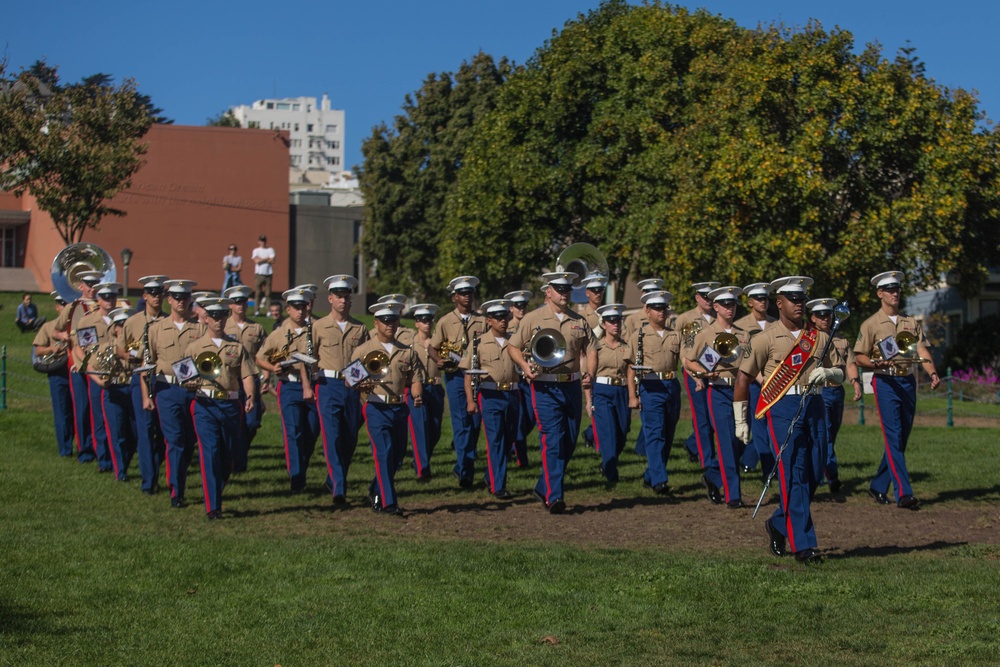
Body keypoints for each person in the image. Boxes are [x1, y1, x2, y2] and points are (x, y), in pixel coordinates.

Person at [734, 276, 844, 564]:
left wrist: (831, 375)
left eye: (802, 298)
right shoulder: (764, 338)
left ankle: (779, 523)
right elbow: (743, 378)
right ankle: (803, 545)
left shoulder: (819, 336)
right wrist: (740, 420)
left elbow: (841, 371)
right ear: (779, 302)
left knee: (815, 470)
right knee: (792, 472)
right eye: (793, 298)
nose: (799, 303)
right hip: (782, 406)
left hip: (815, 404)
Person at [508, 272, 596, 513]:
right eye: (559, 289)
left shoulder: (579, 320)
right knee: (553, 439)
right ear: (548, 292)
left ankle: (542, 486)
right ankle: (554, 497)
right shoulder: (533, 318)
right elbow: (513, 346)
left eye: (567, 288)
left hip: (571, 386)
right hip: (545, 386)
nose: (564, 292)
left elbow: (590, 348)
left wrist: (590, 372)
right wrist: (525, 367)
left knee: (568, 442)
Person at [854, 271, 940, 509]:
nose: (895, 293)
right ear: (880, 293)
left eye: (897, 289)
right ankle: (904, 493)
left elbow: (921, 351)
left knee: (901, 437)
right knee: (893, 435)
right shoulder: (870, 324)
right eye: (889, 290)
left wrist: (932, 372)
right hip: (885, 383)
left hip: (907, 382)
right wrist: (875, 364)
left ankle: (878, 485)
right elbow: (859, 356)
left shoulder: (910, 322)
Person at [185, 297, 258, 519]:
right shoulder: (195, 347)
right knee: (210, 452)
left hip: (230, 403)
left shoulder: (236, 346)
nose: (218, 321)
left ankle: (217, 488)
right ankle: (213, 506)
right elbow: (185, 376)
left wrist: (251, 395)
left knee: (227, 455)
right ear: (206, 319)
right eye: (214, 317)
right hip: (205, 404)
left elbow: (246, 374)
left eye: (222, 316)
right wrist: (189, 382)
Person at [351, 301, 424, 516]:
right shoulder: (363, 349)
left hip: (399, 407)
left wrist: (417, 394)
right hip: (375, 406)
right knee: (383, 452)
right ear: (376, 323)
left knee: (397, 455)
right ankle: (389, 502)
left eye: (393, 320)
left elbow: (416, 378)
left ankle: (376, 489)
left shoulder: (407, 352)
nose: (390, 324)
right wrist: (360, 383)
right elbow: (349, 380)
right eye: (385, 321)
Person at [684, 286, 752, 508]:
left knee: (743, 440)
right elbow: (688, 362)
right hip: (719, 390)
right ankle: (734, 495)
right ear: (715, 307)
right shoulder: (705, 333)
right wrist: (703, 373)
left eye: (732, 304)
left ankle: (713, 477)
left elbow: (752, 364)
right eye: (725, 304)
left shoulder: (743, 334)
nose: (729, 308)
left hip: (742, 391)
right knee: (726, 442)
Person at [141, 279, 205, 508]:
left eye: (185, 297)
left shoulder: (200, 328)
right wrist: (146, 395)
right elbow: (146, 364)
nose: (181, 301)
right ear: (169, 300)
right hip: (166, 389)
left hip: (193, 391)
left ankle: (178, 476)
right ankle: (176, 491)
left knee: (189, 442)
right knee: (175, 439)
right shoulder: (155, 329)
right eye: (176, 297)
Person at [256, 287, 319, 494]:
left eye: (303, 307)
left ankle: (301, 466)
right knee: (293, 432)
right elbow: (260, 357)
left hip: (314, 385)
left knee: (311, 431)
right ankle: (297, 479)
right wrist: (272, 368)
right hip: (290, 386)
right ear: (288, 309)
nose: (300, 311)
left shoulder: (316, 329)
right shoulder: (279, 334)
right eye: (296, 307)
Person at [311, 276, 368, 505]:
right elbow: (311, 357)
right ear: (330, 299)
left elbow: (363, 361)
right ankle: (339, 488)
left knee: (349, 438)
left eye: (347, 296)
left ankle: (333, 478)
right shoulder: (319, 326)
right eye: (339, 296)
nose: (343, 300)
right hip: (328, 385)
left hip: (352, 387)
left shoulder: (360, 328)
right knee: (332, 436)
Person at [429, 276, 487, 489]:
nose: (468, 297)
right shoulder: (445, 321)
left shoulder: (481, 321)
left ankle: (463, 463)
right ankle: (466, 471)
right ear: (454, 297)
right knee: (462, 423)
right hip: (455, 377)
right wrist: (438, 360)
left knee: (475, 423)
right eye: (463, 293)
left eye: (470, 293)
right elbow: (432, 347)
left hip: (477, 375)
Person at [461, 298, 520, 498]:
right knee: (495, 440)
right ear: (489, 321)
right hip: (490, 394)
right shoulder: (478, 343)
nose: (502, 321)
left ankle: (491, 475)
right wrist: (471, 400)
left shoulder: (515, 341)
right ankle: (498, 486)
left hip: (512, 393)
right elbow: (468, 374)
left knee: (509, 439)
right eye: (497, 317)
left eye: (505, 317)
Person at [626, 290, 681, 494]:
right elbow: (631, 368)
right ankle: (659, 480)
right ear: (647, 310)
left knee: (668, 433)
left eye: (664, 308)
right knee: (654, 433)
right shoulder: (638, 336)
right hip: (651, 387)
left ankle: (651, 475)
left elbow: (686, 359)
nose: (661, 312)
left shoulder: (675, 335)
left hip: (671, 385)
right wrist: (632, 395)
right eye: (657, 308)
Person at [118, 275, 169, 495]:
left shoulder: (169, 322)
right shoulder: (133, 321)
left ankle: (153, 467)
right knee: (145, 429)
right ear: (145, 296)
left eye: (160, 293)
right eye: (153, 294)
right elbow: (119, 347)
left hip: (163, 381)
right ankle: (149, 482)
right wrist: (130, 355)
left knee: (165, 432)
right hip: (139, 379)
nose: (157, 297)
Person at [808, 298, 862, 494]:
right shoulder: (809, 339)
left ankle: (821, 471)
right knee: (824, 435)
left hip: (836, 391)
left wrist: (856, 383)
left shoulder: (841, 340)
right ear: (813, 318)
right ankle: (832, 475)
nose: (825, 319)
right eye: (821, 315)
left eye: (828, 315)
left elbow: (850, 363)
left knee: (831, 434)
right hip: (819, 392)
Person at [77, 281, 123, 473]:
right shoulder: (88, 321)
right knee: (99, 419)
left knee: (120, 421)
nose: (110, 301)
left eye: (112, 297)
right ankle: (104, 460)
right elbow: (81, 349)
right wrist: (91, 369)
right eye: (105, 297)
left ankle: (120, 458)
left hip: (120, 374)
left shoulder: (122, 320)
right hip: (98, 374)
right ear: (98, 299)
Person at [585, 304, 633, 483]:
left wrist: (633, 395)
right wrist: (589, 401)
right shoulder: (595, 348)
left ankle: (608, 462)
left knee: (622, 431)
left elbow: (631, 372)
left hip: (621, 391)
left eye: (617, 321)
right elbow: (588, 376)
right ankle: (611, 472)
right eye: (611, 321)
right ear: (603, 324)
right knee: (608, 432)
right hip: (602, 391)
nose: (615, 324)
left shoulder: (627, 347)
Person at [675, 281, 720, 467]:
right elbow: (685, 352)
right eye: (704, 296)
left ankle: (693, 446)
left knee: (714, 418)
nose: (708, 300)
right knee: (702, 418)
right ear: (697, 298)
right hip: (696, 374)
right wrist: (695, 377)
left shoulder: (720, 317)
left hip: (716, 372)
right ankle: (708, 461)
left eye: (711, 297)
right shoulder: (689, 320)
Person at [223, 285, 268, 473]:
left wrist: (266, 376)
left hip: (251, 379)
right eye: (236, 302)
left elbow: (265, 354)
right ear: (230, 305)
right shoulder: (223, 326)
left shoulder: (256, 328)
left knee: (251, 422)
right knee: (233, 422)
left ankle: (240, 452)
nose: (240, 305)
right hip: (230, 380)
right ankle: (236, 461)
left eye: (242, 301)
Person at [735, 281, 776, 475]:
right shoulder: (741, 326)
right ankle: (769, 468)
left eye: (765, 298)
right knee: (759, 428)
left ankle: (749, 460)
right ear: (750, 302)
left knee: (772, 426)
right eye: (758, 299)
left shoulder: (776, 324)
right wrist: (761, 380)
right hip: (754, 383)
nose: (763, 302)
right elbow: (744, 358)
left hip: (774, 382)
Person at [93, 307, 135, 482]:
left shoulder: (136, 347)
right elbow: (93, 366)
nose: (122, 327)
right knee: (117, 433)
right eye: (119, 324)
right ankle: (120, 471)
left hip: (132, 390)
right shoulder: (106, 347)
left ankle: (125, 461)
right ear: (114, 328)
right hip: (114, 391)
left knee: (134, 433)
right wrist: (101, 381)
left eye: (126, 324)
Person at [31, 293, 74, 457]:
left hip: (74, 371)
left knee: (77, 411)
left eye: (68, 304)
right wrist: (52, 349)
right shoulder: (48, 327)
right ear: (57, 307)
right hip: (58, 372)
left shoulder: (77, 325)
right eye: (62, 304)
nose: (65, 308)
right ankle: (65, 449)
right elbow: (37, 351)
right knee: (62, 412)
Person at [407, 303, 443, 481]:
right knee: (419, 427)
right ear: (416, 323)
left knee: (435, 430)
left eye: (429, 319)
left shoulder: (439, 342)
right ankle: (423, 470)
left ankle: (421, 459)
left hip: (435, 387)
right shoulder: (410, 344)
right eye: (422, 320)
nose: (426, 323)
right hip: (417, 387)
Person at [576, 273, 607, 450]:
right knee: (594, 406)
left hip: (609, 364)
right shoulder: (581, 316)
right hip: (590, 363)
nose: (598, 294)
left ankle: (590, 434)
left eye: (600, 290)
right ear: (587, 293)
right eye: (594, 290)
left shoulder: (609, 312)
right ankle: (598, 441)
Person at [505, 289, 534, 468]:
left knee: (531, 417)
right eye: (518, 306)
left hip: (528, 377)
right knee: (519, 417)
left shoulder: (531, 326)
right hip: (514, 377)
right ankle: (522, 459)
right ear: (511, 308)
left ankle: (511, 444)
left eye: (524, 305)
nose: (521, 309)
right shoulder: (505, 328)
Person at [252, 235, 276, 316]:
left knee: (268, 294)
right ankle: (256, 310)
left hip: (268, 273)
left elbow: (272, 260)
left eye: (264, 241)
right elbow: (256, 261)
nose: (263, 242)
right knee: (258, 293)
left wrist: (261, 259)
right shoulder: (256, 250)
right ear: (259, 242)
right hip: (259, 274)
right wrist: (266, 259)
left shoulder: (270, 250)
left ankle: (268, 311)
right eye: (261, 241)